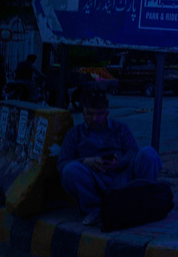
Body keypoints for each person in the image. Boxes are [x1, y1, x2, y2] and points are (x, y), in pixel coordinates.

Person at [57, 89, 161, 226]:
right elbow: (62, 163)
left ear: (107, 113)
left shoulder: (120, 128)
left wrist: (120, 162)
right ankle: (97, 210)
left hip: (121, 176)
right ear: (83, 114)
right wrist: (85, 161)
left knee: (149, 153)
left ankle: (145, 200)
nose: (95, 119)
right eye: (90, 114)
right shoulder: (74, 134)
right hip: (94, 179)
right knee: (70, 170)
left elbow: (132, 151)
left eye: (99, 114)